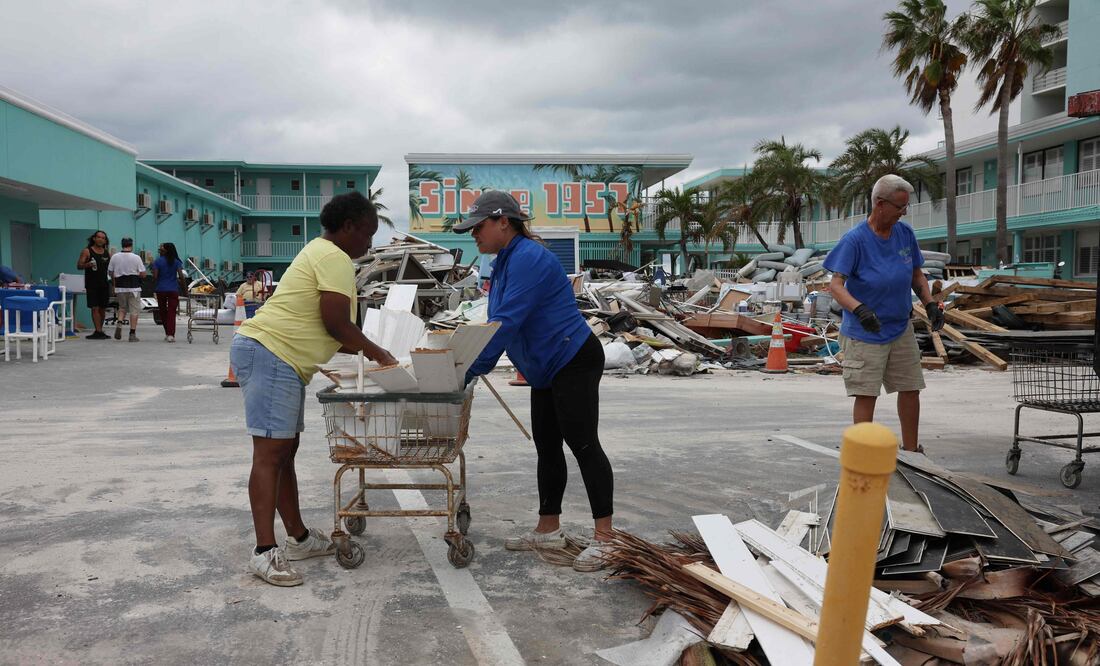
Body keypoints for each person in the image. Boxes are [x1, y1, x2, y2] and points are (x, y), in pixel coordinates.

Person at [230, 191, 397, 587]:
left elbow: (333, 332)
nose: (369, 243)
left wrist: (374, 351)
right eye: (367, 233)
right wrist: (381, 354)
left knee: (284, 451)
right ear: (348, 227)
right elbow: (336, 325)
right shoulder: (333, 257)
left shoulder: (323, 252)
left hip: (279, 358)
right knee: (270, 454)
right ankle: (264, 551)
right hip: (272, 353)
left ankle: (299, 537)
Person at [456, 191, 616, 573]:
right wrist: (464, 359)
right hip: (545, 366)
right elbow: (495, 321)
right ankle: (549, 528)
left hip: (572, 358)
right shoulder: (503, 261)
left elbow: (506, 323)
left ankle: (607, 540)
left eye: (478, 227)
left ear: (503, 222)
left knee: (583, 444)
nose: (473, 234)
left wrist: (468, 370)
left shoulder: (528, 258)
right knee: (547, 446)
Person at [824, 174, 945, 453]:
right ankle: (863, 454)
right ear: (880, 204)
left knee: (910, 388)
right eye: (899, 207)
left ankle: (911, 451)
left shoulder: (905, 234)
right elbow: (835, 285)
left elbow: (916, 273)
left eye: (906, 207)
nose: (904, 212)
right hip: (865, 331)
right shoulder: (855, 240)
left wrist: (929, 304)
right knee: (866, 393)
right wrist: (859, 309)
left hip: (900, 327)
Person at [107, 238, 147, 342]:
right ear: (131, 245)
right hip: (134, 287)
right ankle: (132, 334)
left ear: (122, 245)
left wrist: (115, 284)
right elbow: (143, 274)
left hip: (120, 287)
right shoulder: (136, 257)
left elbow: (110, 273)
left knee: (122, 308)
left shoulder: (115, 257)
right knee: (134, 311)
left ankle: (119, 322)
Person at [77, 230, 111, 339]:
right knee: (95, 308)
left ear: (105, 241)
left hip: (104, 284)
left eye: (103, 238)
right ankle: (98, 331)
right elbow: (79, 265)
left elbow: (111, 269)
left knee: (102, 309)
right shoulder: (87, 251)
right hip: (92, 284)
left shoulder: (107, 253)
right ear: (94, 238)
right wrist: (88, 264)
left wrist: (114, 284)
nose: (101, 239)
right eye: (99, 237)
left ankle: (99, 331)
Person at [151, 242, 186, 342]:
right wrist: (185, 290)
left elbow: (155, 277)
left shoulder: (157, 261)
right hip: (173, 290)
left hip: (161, 289)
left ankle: (167, 332)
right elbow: (181, 276)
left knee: (163, 312)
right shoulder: (176, 261)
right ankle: (171, 334)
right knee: (172, 312)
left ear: (165, 251)